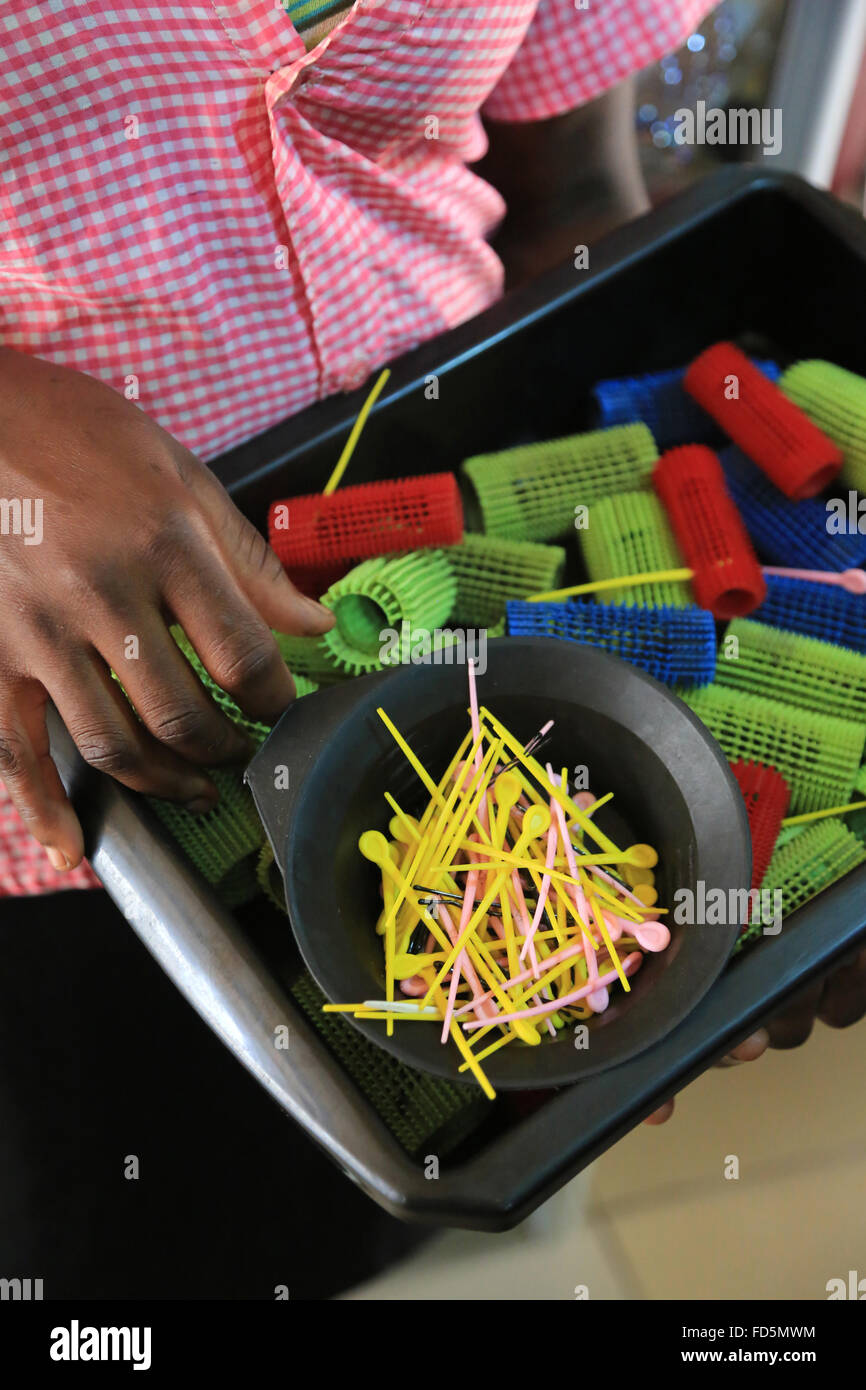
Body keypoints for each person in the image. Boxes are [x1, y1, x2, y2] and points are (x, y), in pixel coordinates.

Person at [2, 0, 863, 1296]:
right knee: (110, 1247)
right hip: (67, 812)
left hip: (475, 637)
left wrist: (762, 923)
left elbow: (572, 188)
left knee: (361, 1208)